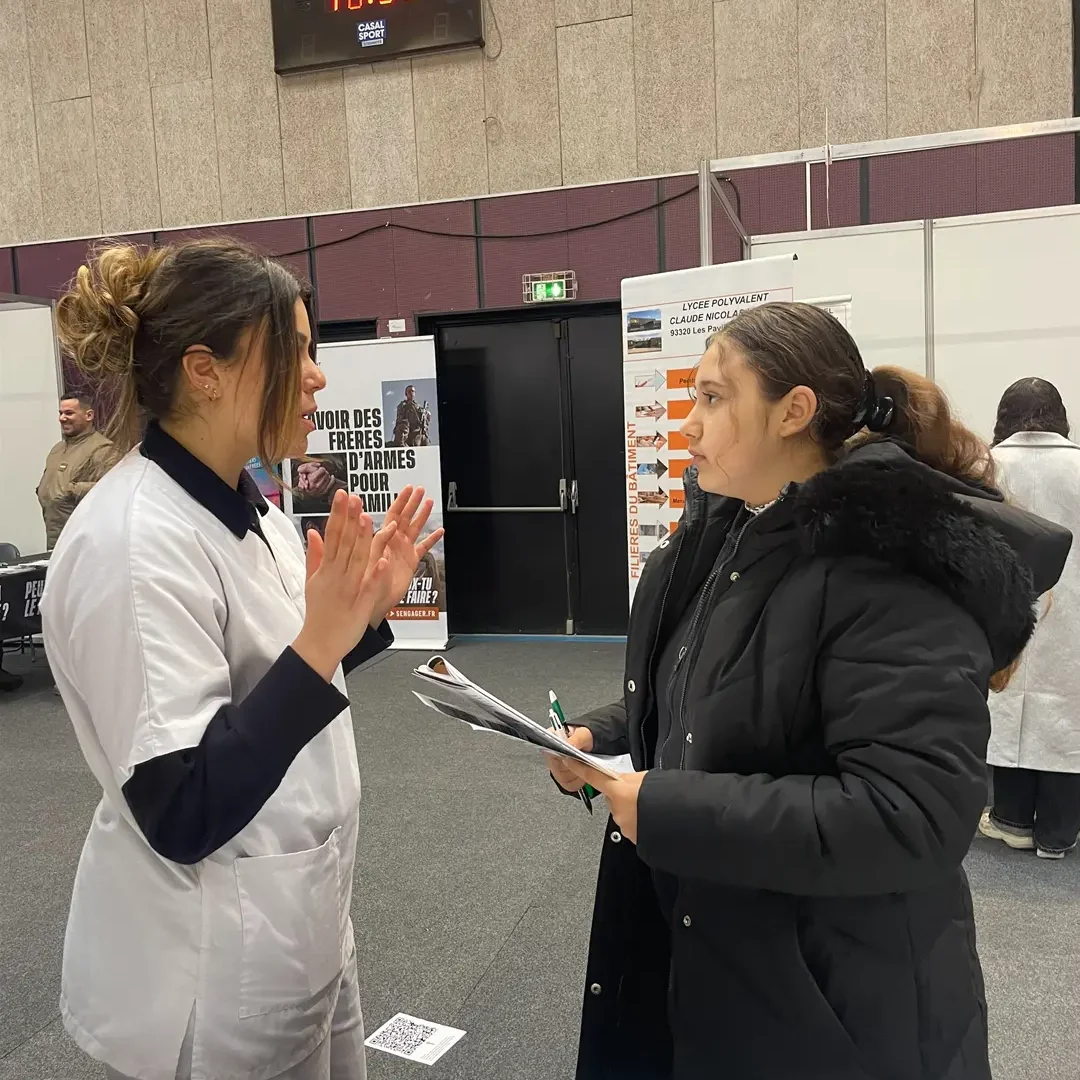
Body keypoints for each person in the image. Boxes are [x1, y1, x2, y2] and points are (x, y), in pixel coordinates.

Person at [546, 303, 1072, 1080]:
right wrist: (603, 734)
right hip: (737, 963)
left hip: (842, 1006)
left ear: (794, 411)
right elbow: (729, 687)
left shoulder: (886, 570)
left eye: (715, 398)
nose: (690, 424)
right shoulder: (738, 537)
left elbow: (912, 815)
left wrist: (664, 807)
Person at [41, 239, 443, 1080]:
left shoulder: (248, 504)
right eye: (294, 351)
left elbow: (271, 677)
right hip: (216, 965)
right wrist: (323, 638)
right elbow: (182, 804)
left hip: (300, 915)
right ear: (206, 371)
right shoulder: (133, 543)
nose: (317, 374)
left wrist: (360, 616)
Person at [979, 378, 1080, 859]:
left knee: (1008, 703)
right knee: (1068, 714)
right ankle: (1059, 832)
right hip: (1073, 618)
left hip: (1005, 608)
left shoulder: (984, 468)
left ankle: (1011, 820)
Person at [37, 394, 122, 549]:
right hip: (56, 544)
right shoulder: (57, 450)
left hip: (86, 547)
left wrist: (71, 491)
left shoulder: (103, 450)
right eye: (60, 413)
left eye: (69, 413)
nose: (62, 418)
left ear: (89, 415)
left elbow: (114, 491)